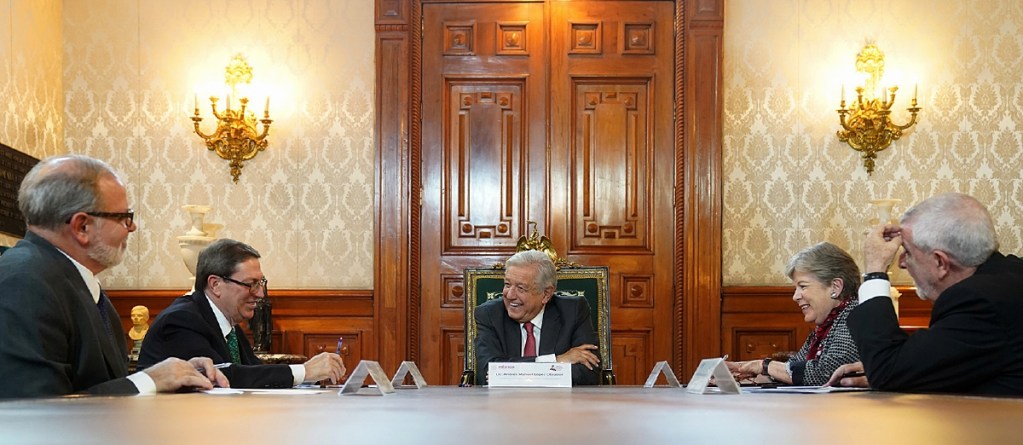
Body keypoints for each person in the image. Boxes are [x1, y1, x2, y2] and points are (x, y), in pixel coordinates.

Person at [0, 155, 228, 398]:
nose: (132, 228)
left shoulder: (72, 282)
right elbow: (34, 411)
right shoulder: (24, 283)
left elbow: (98, 384)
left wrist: (176, 374)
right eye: (124, 218)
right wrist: (150, 380)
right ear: (82, 227)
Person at [830, 192, 1023, 395]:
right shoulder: (1008, 277)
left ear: (940, 262)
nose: (901, 262)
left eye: (908, 252)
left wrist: (875, 271)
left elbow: (887, 371)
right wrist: (913, 371)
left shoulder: (979, 302)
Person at [138, 238, 346, 388]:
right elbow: (223, 376)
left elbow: (254, 372)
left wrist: (312, 379)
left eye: (261, 283)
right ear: (216, 284)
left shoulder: (229, 325)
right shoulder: (181, 320)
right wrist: (305, 371)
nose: (260, 294)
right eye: (250, 284)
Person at [725, 242, 861, 385]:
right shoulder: (826, 325)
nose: (795, 296)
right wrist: (745, 376)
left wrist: (763, 366)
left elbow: (826, 373)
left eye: (803, 286)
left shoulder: (855, 317)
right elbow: (793, 368)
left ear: (835, 287)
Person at [473, 250, 601, 385]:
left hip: (558, 402)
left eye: (521, 288)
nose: (509, 295)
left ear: (546, 294)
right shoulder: (489, 314)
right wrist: (556, 361)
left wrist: (511, 373)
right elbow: (488, 372)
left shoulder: (573, 311)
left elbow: (589, 373)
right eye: (507, 285)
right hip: (504, 402)